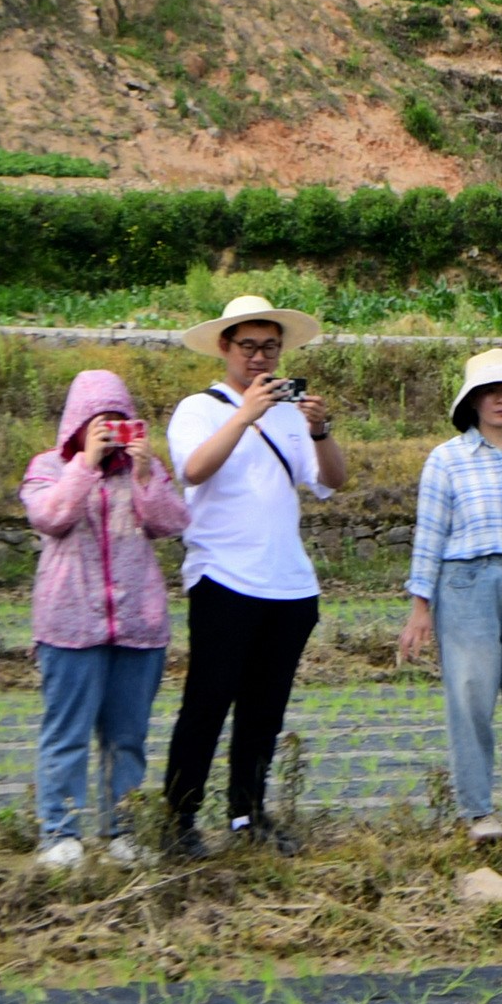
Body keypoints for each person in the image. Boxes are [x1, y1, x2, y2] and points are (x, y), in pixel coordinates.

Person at [165, 295, 345, 854]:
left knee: (264, 711)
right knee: (207, 702)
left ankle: (248, 815)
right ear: (225, 347)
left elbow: (332, 481)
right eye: (249, 346)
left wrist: (321, 430)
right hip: (223, 577)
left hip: (290, 584)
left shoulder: (291, 413)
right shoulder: (198, 409)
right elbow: (193, 470)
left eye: (270, 347)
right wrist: (245, 413)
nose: (260, 358)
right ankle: (180, 819)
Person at [398, 350, 502, 843]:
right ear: (472, 403)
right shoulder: (446, 458)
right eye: (490, 392)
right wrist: (420, 608)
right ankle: (478, 813)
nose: (501, 399)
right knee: (471, 695)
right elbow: (429, 534)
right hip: (466, 584)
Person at [21, 367, 186, 866]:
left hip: (138, 624)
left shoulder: (144, 469)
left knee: (127, 737)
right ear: (77, 422)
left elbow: (172, 522)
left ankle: (122, 831)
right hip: (69, 624)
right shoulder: (49, 466)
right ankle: (60, 833)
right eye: (99, 420)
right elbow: (51, 516)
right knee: (66, 735)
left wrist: (144, 477)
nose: (111, 428)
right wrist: (86, 464)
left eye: (119, 418)